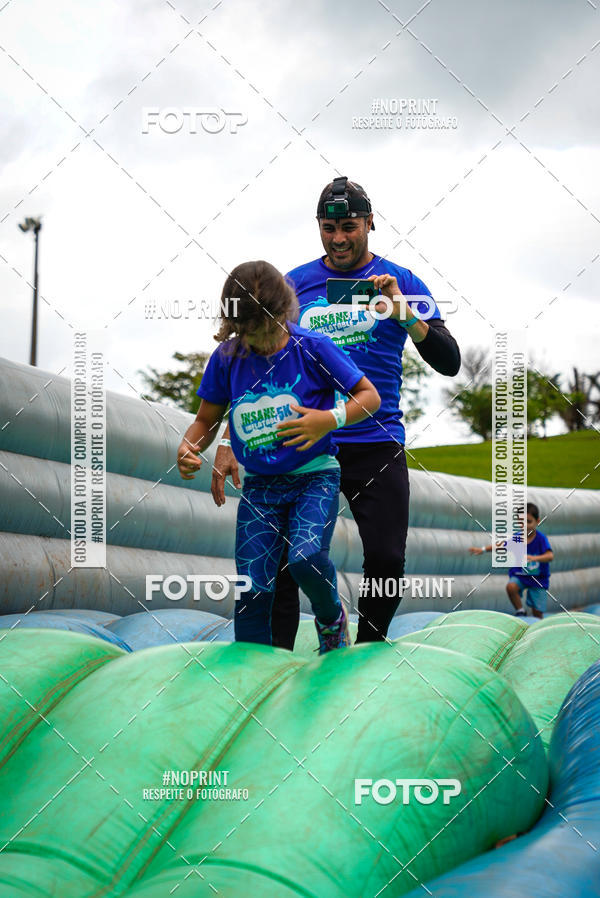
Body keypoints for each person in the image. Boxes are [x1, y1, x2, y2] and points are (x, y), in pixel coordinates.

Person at [212, 177, 461, 649]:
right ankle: (276, 664)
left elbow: (450, 361)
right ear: (319, 228)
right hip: (303, 445)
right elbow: (253, 365)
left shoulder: (401, 281)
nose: (339, 238)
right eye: (329, 228)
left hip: (375, 440)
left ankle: (365, 653)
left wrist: (406, 315)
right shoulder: (294, 285)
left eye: (349, 226)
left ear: (370, 223)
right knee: (285, 564)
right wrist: (227, 441)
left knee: (386, 558)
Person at [176, 260, 381, 652]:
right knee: (252, 587)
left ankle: (331, 619)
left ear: (284, 312)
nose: (263, 343)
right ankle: (253, 676)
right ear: (235, 325)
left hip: (314, 476)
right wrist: (189, 447)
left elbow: (369, 396)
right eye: (251, 333)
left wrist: (328, 418)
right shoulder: (227, 357)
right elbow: (205, 420)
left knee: (304, 559)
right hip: (260, 488)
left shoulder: (312, 348)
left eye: (268, 330)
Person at [469, 503, 554, 619]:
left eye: (528, 522)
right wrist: (482, 549)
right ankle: (520, 610)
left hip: (538, 579)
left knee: (537, 613)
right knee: (511, 586)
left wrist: (534, 558)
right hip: (521, 575)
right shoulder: (517, 538)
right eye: (521, 522)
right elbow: (501, 545)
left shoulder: (541, 539)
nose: (524, 526)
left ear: (537, 521)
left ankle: (537, 624)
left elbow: (550, 556)